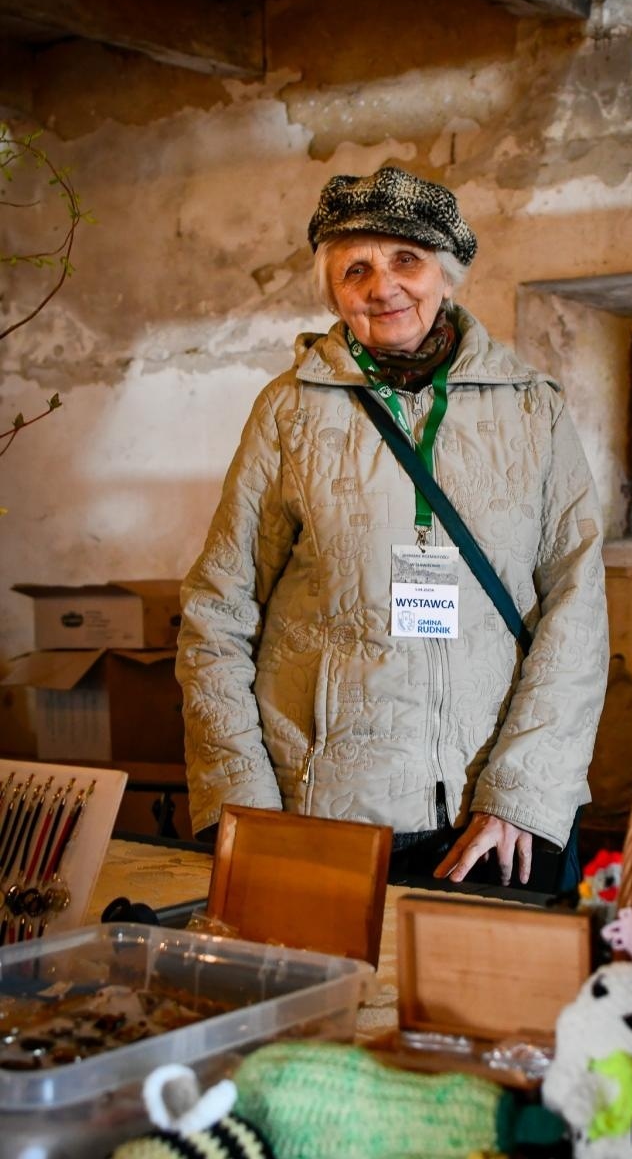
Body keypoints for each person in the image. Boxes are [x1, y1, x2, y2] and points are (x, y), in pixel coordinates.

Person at [175, 166, 609, 893]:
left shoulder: (533, 410)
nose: (383, 286)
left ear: (447, 273)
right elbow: (217, 613)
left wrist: (524, 795)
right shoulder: (289, 413)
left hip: (491, 817)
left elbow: (577, 608)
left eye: (405, 259)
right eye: (356, 268)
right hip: (323, 817)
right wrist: (242, 805)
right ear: (333, 290)